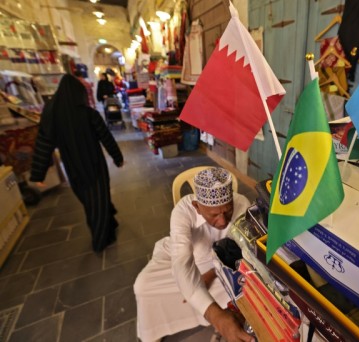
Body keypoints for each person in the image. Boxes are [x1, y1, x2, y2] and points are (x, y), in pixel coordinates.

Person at [134, 167, 254, 342]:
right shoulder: (182, 211)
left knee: (244, 285)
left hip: (220, 262)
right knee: (143, 286)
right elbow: (182, 262)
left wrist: (211, 274)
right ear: (197, 207)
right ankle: (154, 332)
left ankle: (230, 319)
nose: (222, 221)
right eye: (213, 214)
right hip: (178, 256)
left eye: (227, 211)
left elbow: (241, 253)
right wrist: (216, 317)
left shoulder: (242, 204)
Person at [30, 74, 124, 252]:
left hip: (73, 167)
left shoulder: (51, 115)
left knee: (90, 202)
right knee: (99, 199)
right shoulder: (89, 114)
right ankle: (100, 240)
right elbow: (106, 138)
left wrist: (38, 174)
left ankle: (109, 224)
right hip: (95, 164)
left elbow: (43, 144)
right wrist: (117, 158)